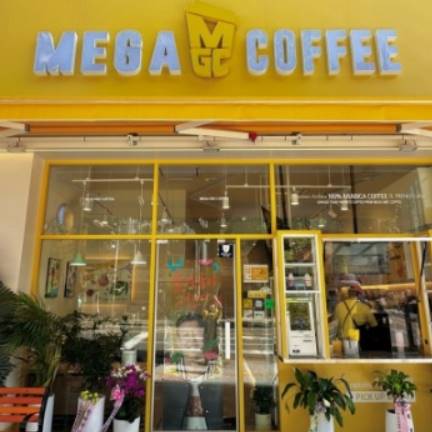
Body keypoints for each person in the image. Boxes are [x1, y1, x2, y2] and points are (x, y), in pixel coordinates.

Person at [334, 284, 378, 353]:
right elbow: (374, 324)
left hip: (341, 336)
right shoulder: (364, 307)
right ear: (359, 295)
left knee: (345, 357)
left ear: (348, 294)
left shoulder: (338, 306)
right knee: (355, 356)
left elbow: (335, 322)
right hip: (355, 335)